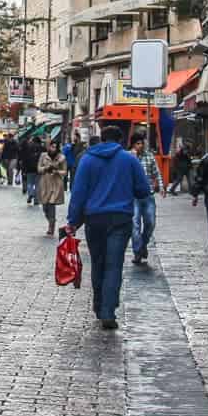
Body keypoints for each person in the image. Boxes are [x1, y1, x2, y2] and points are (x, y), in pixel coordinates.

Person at [63, 125, 151, 330]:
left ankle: (98, 303)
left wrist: (73, 221)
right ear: (120, 140)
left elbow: (78, 193)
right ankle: (108, 311)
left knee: (98, 262)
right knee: (114, 265)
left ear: (102, 139)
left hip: (94, 220)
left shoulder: (87, 159)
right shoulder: (129, 160)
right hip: (120, 219)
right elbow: (144, 190)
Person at [129, 133, 164, 266]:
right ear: (133, 144)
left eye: (142, 143)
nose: (141, 145)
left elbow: (156, 173)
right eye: (138, 143)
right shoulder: (128, 157)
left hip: (148, 195)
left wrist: (161, 187)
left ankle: (143, 244)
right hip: (133, 196)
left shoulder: (149, 156)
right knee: (135, 224)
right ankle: (137, 251)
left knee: (150, 222)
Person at [36, 138, 67, 237]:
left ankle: (51, 227)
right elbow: (39, 169)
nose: (53, 148)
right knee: (45, 206)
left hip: (55, 184)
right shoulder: (43, 156)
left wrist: (57, 171)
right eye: (51, 146)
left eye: (55, 147)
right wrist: (46, 168)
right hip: (45, 183)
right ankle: (51, 220)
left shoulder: (61, 158)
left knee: (51, 205)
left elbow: (65, 171)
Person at [21, 134, 44, 204]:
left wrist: (23, 169)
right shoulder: (42, 148)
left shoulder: (28, 148)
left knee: (30, 183)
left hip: (29, 168)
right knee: (37, 184)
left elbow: (25, 159)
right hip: (39, 169)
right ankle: (36, 200)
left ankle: (31, 193)